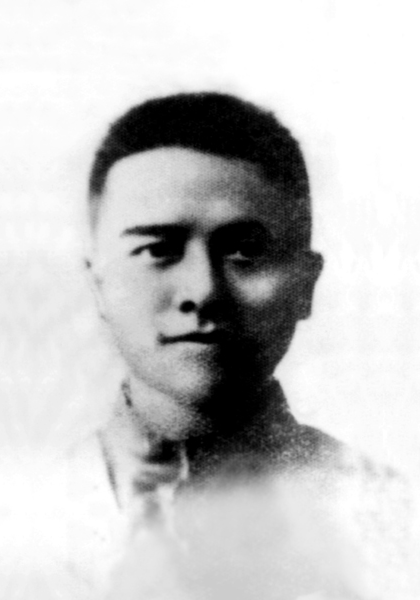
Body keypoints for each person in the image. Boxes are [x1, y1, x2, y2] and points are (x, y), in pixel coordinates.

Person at [86, 93, 414, 600]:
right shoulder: (3, 509)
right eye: (158, 250)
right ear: (98, 286)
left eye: (246, 250)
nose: (202, 291)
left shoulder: (394, 519)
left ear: (305, 286)